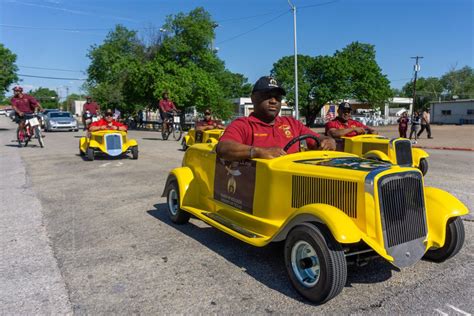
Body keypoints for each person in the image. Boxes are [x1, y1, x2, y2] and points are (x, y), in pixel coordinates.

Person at [216, 76, 335, 161]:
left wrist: (328, 141)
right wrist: (258, 152)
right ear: (253, 98)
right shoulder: (243, 125)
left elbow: (318, 138)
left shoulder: (292, 123)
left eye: (277, 97)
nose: (273, 101)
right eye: (267, 96)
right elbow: (223, 148)